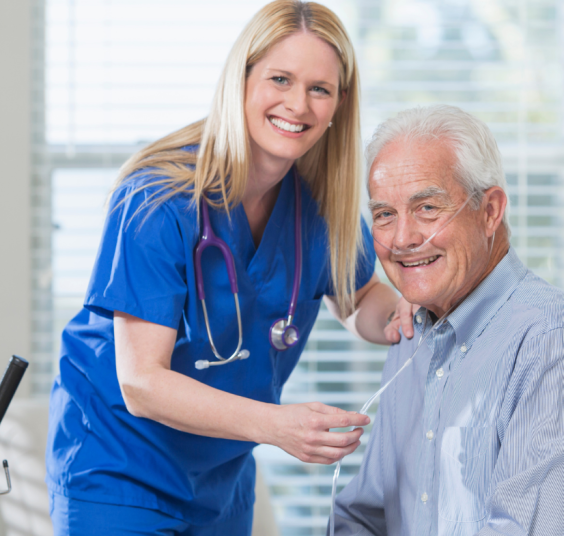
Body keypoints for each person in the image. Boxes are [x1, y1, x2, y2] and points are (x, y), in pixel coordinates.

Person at [45, 2, 412, 534]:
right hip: (118, 468)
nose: (297, 104)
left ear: (339, 103)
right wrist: (278, 426)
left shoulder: (318, 205)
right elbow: (141, 382)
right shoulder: (158, 199)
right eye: (280, 79)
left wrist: (402, 316)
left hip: (221, 477)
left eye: (319, 88)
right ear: (240, 80)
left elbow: (359, 297)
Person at [332, 105, 564, 535]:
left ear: (490, 211)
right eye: (385, 214)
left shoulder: (558, 347)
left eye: (427, 207)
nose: (402, 239)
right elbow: (365, 517)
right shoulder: (411, 337)